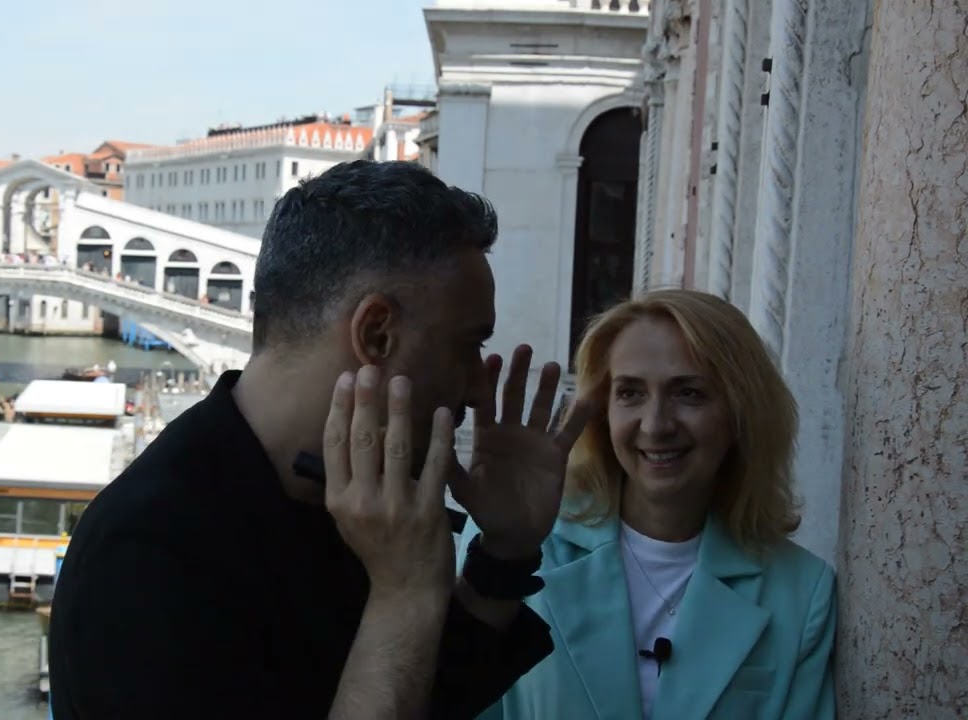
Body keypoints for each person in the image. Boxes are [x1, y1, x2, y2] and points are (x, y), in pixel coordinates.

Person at [48, 160, 592, 719]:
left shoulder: (351, 498)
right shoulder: (146, 554)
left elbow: (426, 695)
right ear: (375, 334)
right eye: (467, 346)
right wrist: (404, 594)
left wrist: (505, 552)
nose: (480, 389)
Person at [461, 289, 837, 720]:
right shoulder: (515, 547)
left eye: (689, 393)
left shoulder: (802, 592)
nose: (656, 426)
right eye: (630, 393)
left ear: (740, 413)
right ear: (602, 411)